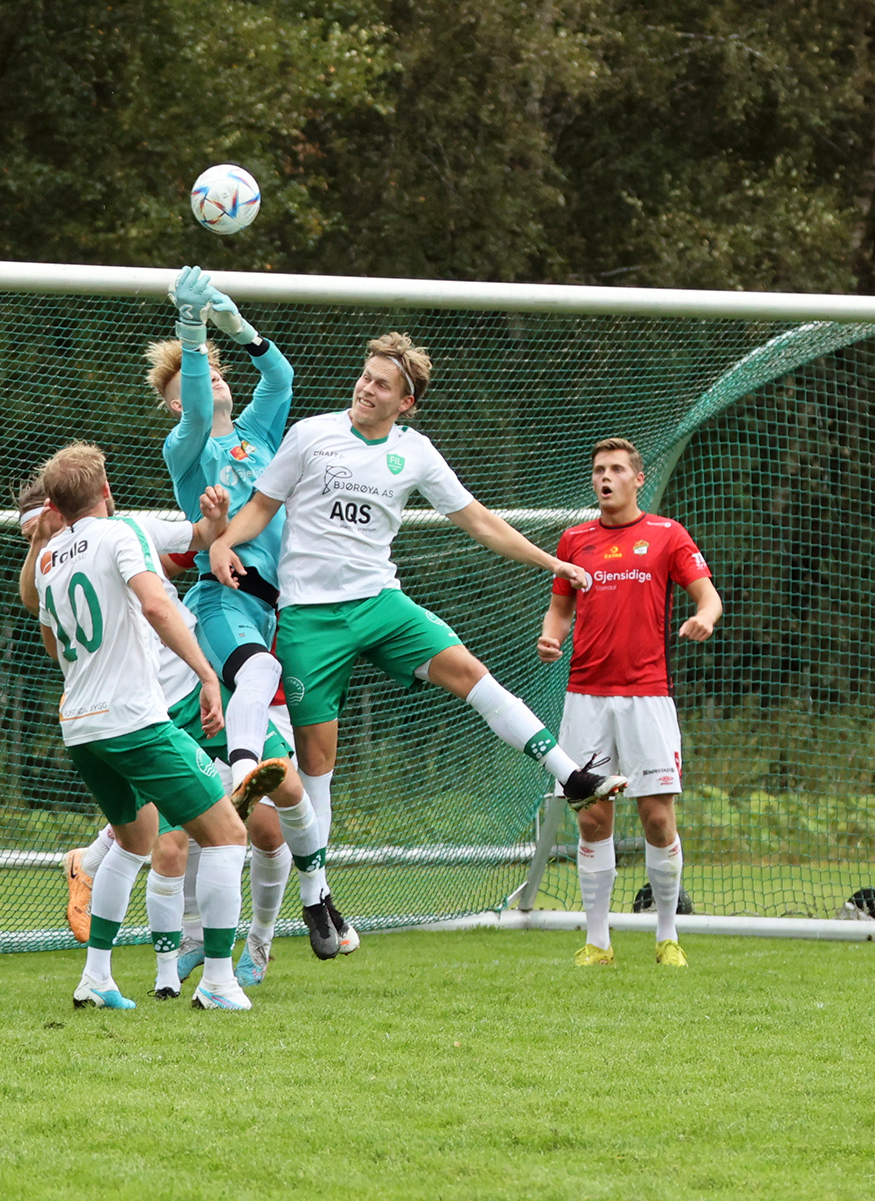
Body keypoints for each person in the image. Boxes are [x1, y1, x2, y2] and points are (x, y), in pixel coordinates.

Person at [207, 333, 631, 953]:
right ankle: (317, 901)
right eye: (365, 375)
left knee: (469, 671)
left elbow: (481, 521)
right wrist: (223, 541)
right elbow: (261, 507)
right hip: (309, 620)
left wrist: (552, 565)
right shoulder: (310, 435)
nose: (366, 387)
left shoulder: (416, 453)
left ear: (406, 403)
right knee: (316, 765)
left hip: (383, 605)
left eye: (382, 383)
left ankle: (569, 776)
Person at [149, 266, 357, 962]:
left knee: (278, 816)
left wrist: (238, 327)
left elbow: (283, 380)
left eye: (211, 377)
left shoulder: (260, 439)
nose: (208, 388)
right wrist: (193, 328)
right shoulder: (187, 449)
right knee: (254, 683)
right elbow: (201, 398)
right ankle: (241, 770)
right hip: (219, 602)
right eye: (190, 388)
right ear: (177, 407)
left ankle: (272, 938)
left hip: (276, 609)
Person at [29, 441, 255, 1009]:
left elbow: (51, 637)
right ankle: (221, 982)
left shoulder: (50, 558)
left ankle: (97, 979)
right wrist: (206, 674)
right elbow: (156, 606)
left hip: (80, 727)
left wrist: (215, 525)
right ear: (106, 490)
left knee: (132, 843)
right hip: (133, 721)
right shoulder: (123, 531)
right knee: (227, 832)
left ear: (56, 504)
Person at [536, 437, 721, 967]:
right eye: (598, 470)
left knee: (657, 819)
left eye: (616, 469)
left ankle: (667, 939)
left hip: (647, 699)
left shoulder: (667, 535)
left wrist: (704, 616)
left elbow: (707, 595)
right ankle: (598, 944)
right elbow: (559, 610)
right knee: (592, 819)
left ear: (638, 480)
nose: (605, 477)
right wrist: (551, 637)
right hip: (586, 699)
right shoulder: (574, 540)